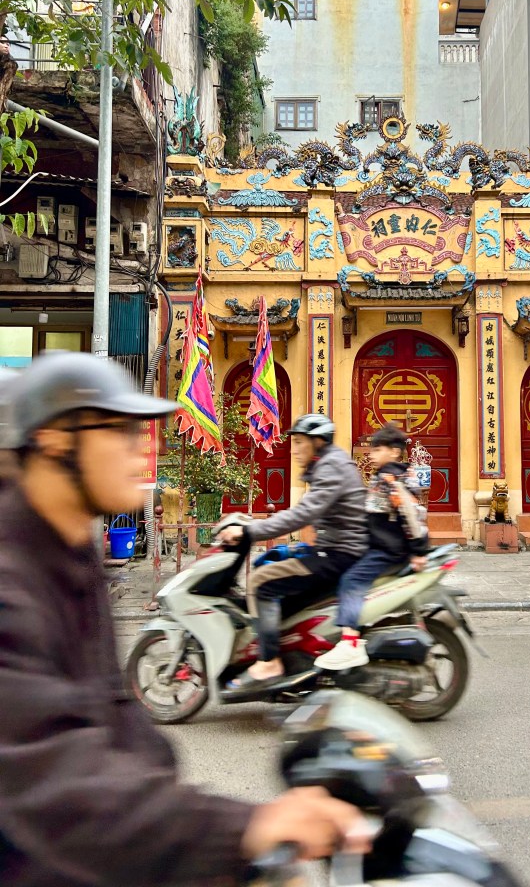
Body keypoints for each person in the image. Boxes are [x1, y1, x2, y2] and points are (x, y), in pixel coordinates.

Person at [0, 353, 368, 886]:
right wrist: (239, 830)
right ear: (58, 440)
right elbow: (54, 777)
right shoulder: (13, 581)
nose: (141, 448)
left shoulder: (72, 548)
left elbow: (121, 729)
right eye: (121, 430)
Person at [217, 413, 368, 693]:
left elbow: (302, 514)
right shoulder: (329, 463)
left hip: (339, 554)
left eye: (299, 442)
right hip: (334, 548)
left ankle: (269, 662)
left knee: (260, 580)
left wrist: (249, 532)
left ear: (318, 442)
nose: (293, 449)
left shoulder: (331, 467)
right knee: (274, 561)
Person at [315, 422, 429, 671]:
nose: (371, 454)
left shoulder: (390, 478)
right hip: (380, 544)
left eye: (378, 450)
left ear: (394, 452)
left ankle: (349, 641)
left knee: (351, 580)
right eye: (372, 449)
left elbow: (411, 515)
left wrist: (419, 550)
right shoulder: (393, 475)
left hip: (388, 550)